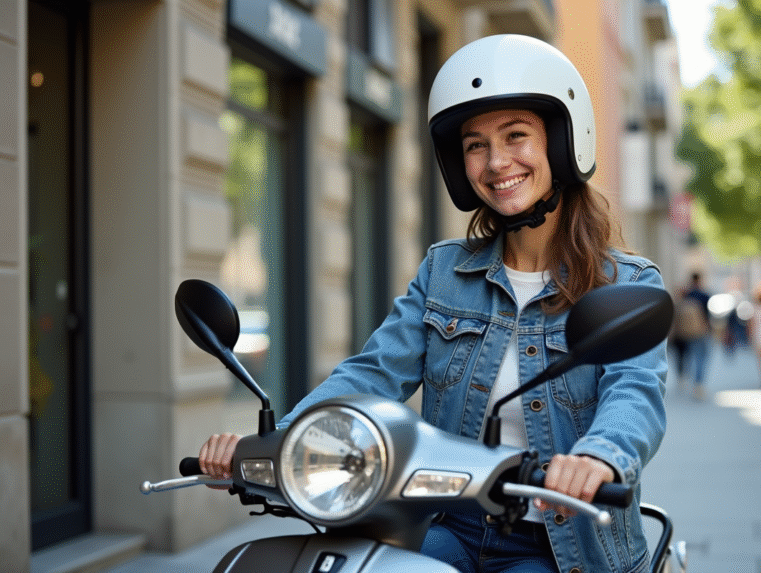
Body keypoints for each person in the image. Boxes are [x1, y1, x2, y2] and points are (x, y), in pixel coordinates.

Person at [198, 35, 668, 573]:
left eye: (516, 136)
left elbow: (636, 392)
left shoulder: (625, 283)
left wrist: (598, 456)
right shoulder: (445, 273)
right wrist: (284, 441)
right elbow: (373, 374)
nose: (495, 163)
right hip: (453, 525)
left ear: (563, 143)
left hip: (564, 543)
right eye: (474, 145)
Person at [673, 273, 711, 399]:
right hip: (700, 332)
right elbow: (708, 316)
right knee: (701, 358)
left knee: (688, 357)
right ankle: (698, 384)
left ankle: (685, 377)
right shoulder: (704, 295)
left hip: (685, 333)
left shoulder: (687, 295)